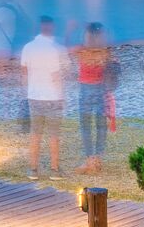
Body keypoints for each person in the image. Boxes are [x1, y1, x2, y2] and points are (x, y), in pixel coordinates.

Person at [19, 15, 69, 177]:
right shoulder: (56, 48)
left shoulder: (28, 47)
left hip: (34, 96)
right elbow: (58, 75)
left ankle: (33, 169)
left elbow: (24, 73)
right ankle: (55, 170)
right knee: (54, 135)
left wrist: (27, 91)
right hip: (53, 96)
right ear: (51, 27)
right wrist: (63, 97)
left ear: (40, 28)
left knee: (35, 133)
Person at [73, 22, 117, 174]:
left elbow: (65, 49)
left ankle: (90, 160)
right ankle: (97, 158)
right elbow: (113, 68)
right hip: (101, 89)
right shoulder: (105, 52)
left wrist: (68, 30)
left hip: (86, 89)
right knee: (100, 125)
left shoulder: (82, 51)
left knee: (86, 126)